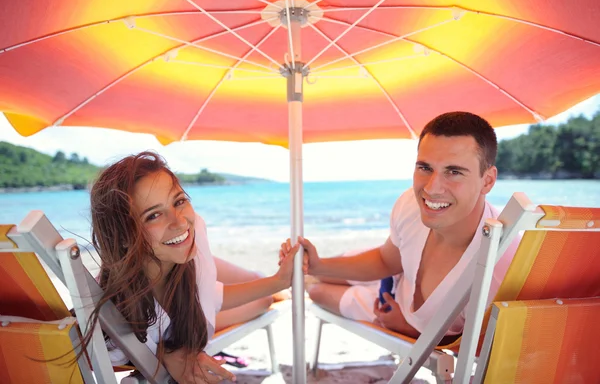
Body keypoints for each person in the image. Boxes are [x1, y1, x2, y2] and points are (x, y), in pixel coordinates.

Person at [281, 111, 520, 340]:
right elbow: (386, 261)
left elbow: (480, 349)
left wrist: (405, 327)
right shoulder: (411, 205)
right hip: (397, 278)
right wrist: (316, 265)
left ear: (487, 181)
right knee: (316, 275)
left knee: (316, 291)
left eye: (454, 172)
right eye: (425, 168)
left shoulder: (498, 266)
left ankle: (283, 293)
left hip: (397, 312)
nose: (432, 188)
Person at [83, 151, 300, 384]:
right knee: (264, 302)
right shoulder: (120, 323)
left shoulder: (191, 237)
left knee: (262, 290)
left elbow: (209, 294)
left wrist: (279, 280)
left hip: (184, 261)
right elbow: (114, 357)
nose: (179, 221)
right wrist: (164, 352)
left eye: (179, 201)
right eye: (153, 215)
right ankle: (277, 291)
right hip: (178, 261)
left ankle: (278, 288)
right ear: (123, 235)